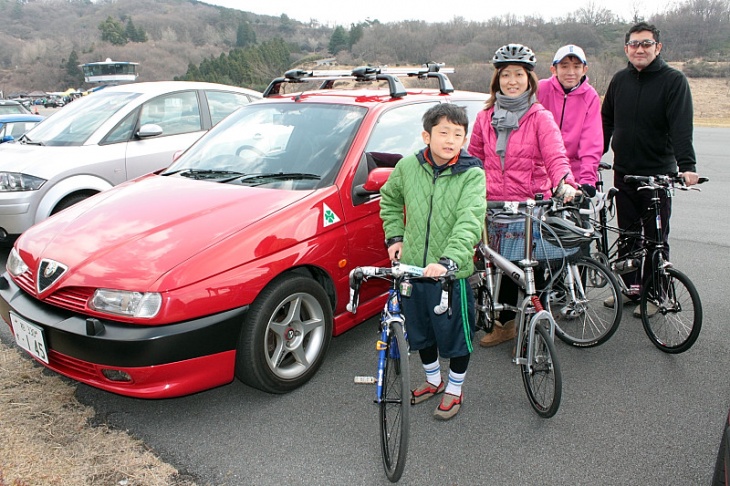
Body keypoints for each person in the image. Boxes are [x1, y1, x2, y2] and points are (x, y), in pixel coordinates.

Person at [379, 103, 486, 420]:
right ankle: (433, 381)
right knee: (420, 332)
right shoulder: (408, 167)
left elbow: (470, 220)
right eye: (443, 132)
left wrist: (450, 259)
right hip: (412, 271)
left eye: (458, 133)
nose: (451, 139)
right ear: (426, 135)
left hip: (449, 275)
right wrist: (395, 237)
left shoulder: (471, 173)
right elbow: (390, 198)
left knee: (456, 337)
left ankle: (454, 390)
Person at [468, 43, 578, 348]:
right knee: (503, 266)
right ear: (497, 80)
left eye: (518, 74)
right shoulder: (485, 117)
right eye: (506, 75)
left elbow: (556, 156)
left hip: (530, 206)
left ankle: (537, 324)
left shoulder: (540, 117)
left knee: (533, 269)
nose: (512, 80)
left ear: (529, 79)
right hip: (495, 206)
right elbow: (474, 159)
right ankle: (505, 325)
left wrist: (565, 182)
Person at [601, 22, 700, 317]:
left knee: (656, 237)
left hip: (658, 174)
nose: (640, 49)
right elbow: (606, 122)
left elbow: (681, 127)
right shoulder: (620, 80)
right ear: (626, 49)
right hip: (625, 171)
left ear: (657, 47)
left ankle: (655, 292)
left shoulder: (673, 81)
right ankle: (632, 289)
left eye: (646, 44)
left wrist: (688, 166)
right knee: (628, 233)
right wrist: (595, 155)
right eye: (634, 44)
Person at [537, 44, 603, 191]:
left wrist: (587, 180)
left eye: (576, 66)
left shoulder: (590, 96)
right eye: (564, 66)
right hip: (541, 174)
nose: (570, 72)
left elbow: (591, 143)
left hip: (575, 175)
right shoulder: (541, 89)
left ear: (584, 69)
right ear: (553, 69)